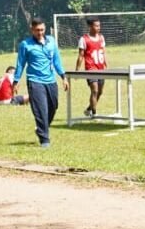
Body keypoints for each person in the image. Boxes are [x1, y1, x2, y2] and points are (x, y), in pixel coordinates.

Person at [13, 17, 68, 147]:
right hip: (35, 81)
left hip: (50, 80)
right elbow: (20, 64)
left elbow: (57, 61)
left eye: (42, 30)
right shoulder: (25, 45)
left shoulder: (51, 41)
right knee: (41, 109)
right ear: (32, 30)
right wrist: (16, 81)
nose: (40, 33)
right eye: (37, 30)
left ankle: (42, 129)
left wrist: (63, 77)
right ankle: (45, 139)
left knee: (53, 107)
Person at [76, 17, 107, 118]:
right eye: (96, 25)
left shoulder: (101, 37)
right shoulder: (84, 39)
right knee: (95, 91)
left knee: (100, 92)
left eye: (99, 25)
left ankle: (88, 109)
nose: (99, 27)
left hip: (101, 69)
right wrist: (77, 70)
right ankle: (94, 114)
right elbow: (81, 56)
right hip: (91, 69)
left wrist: (106, 63)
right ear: (90, 26)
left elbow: (103, 51)